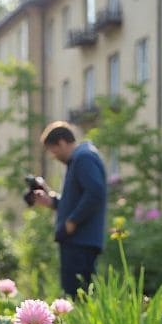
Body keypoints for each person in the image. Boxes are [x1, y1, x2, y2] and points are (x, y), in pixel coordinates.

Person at [31, 120, 108, 297]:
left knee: (77, 296)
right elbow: (77, 199)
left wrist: (72, 221)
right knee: (76, 294)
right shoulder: (79, 159)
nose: (54, 156)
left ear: (62, 142)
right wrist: (52, 201)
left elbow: (95, 193)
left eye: (53, 150)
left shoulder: (84, 158)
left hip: (80, 241)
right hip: (79, 241)